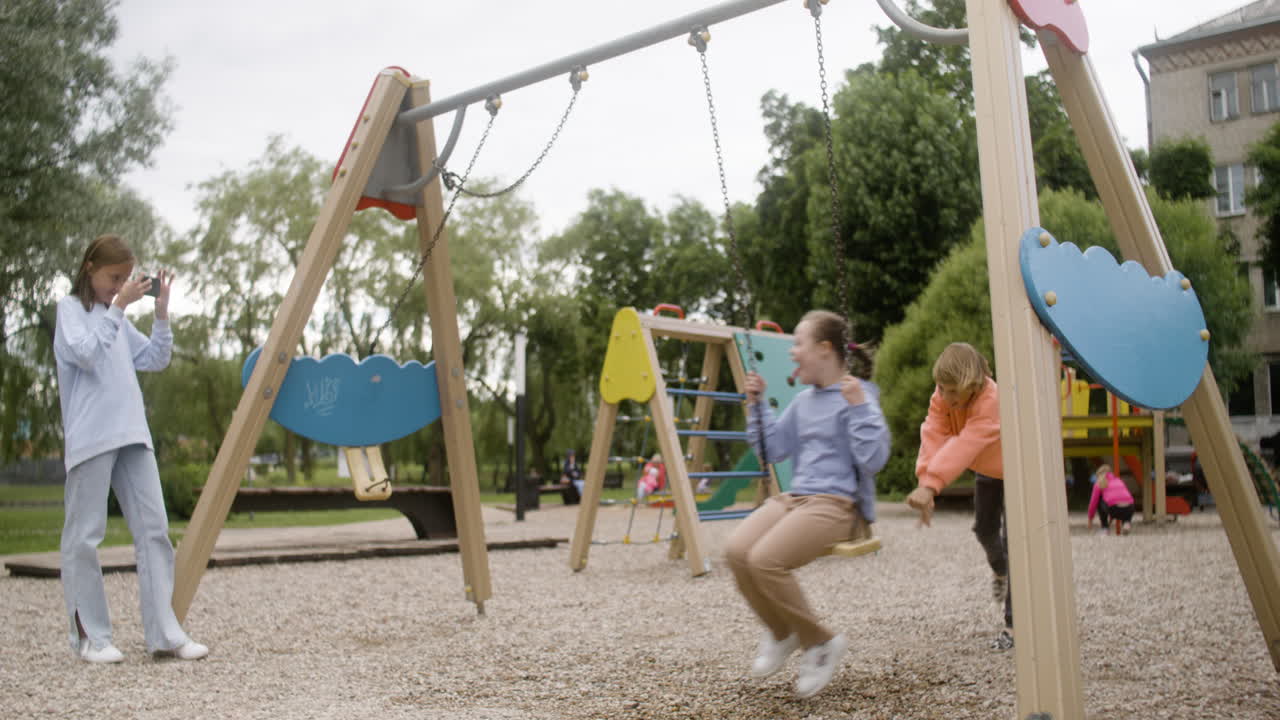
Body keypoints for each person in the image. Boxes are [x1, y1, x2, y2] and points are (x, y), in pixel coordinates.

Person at [53, 234, 208, 664]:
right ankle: (92, 638)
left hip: (133, 435)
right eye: (113, 277)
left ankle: (165, 634)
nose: (119, 286)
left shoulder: (116, 318)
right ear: (90, 269)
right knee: (84, 536)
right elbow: (85, 354)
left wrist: (161, 313)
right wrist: (119, 306)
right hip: (91, 438)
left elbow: (155, 358)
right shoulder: (71, 310)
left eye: (125, 279)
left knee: (155, 531)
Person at [724, 310, 890, 699]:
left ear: (824, 349)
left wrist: (859, 408)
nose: (792, 351)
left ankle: (821, 642)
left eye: (798, 343)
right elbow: (773, 449)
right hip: (797, 497)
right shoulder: (802, 402)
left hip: (837, 503)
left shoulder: (858, 395)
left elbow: (873, 460)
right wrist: (757, 405)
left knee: (765, 560)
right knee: (736, 551)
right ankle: (782, 633)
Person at [905, 342, 1012, 651]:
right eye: (942, 388)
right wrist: (926, 483)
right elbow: (933, 434)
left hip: (1014, 468)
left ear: (973, 386)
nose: (945, 396)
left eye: (953, 391)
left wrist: (931, 485)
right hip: (987, 468)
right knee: (984, 530)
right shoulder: (942, 397)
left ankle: (1012, 626)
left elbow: (965, 444)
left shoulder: (991, 400)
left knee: (1015, 543)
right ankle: (1001, 570)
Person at [1088, 464, 1135, 535]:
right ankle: (1126, 523)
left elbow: (1093, 502)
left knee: (1099, 500)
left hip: (1114, 508)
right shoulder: (1119, 480)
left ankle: (1104, 528)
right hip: (1130, 507)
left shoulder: (1099, 483)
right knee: (1124, 504)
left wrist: (1090, 518)